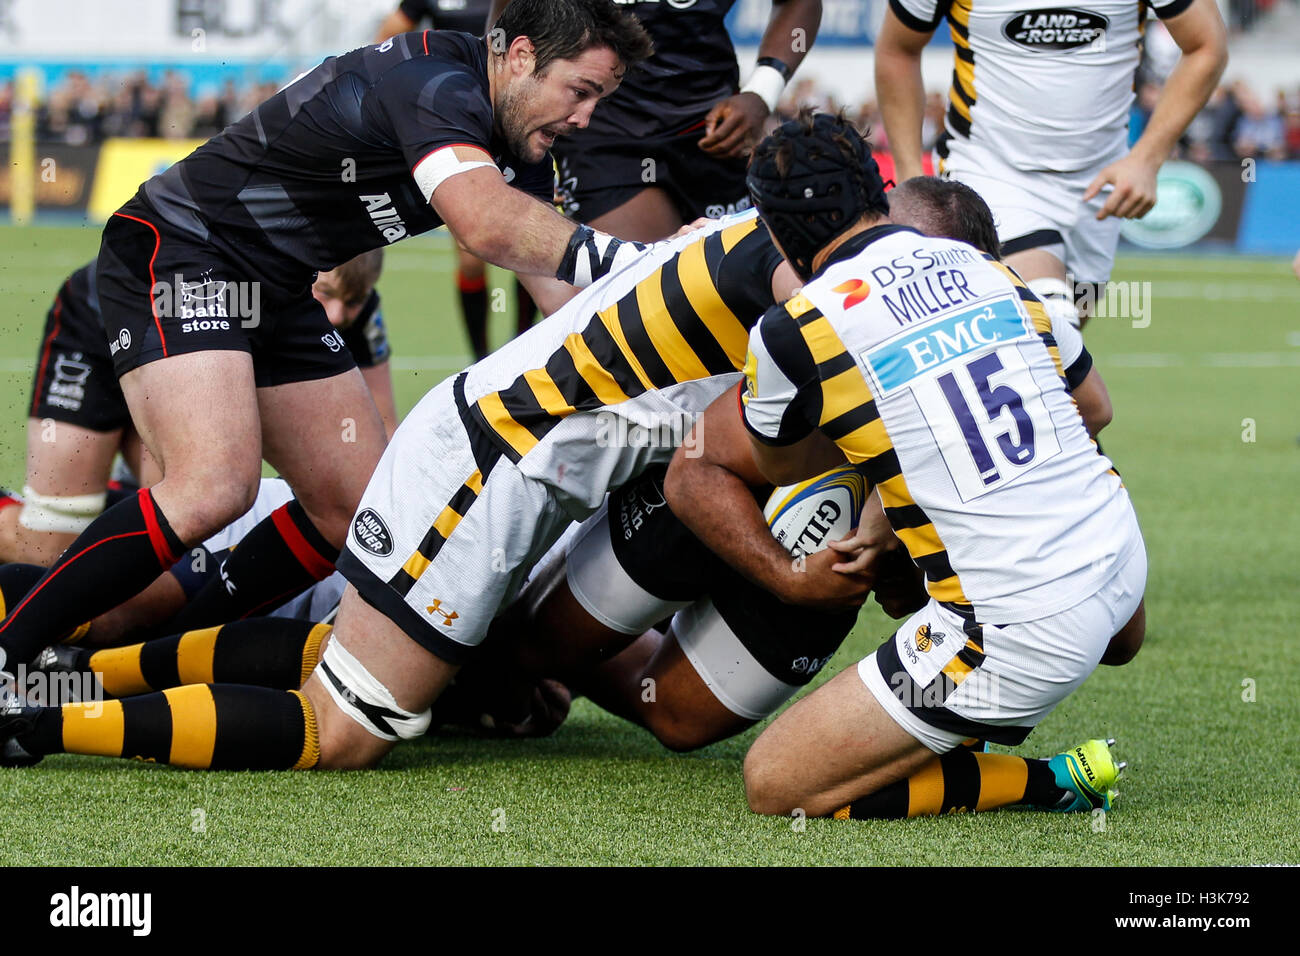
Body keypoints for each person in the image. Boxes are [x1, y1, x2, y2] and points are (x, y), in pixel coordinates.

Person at [0, 195, 834, 770]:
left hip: (475, 461)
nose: (582, 110)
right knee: (342, 728)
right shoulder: (799, 295)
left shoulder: (727, 238)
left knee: (336, 660)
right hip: (486, 475)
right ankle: (35, 718)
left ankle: (56, 688)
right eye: (581, 89)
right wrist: (790, 572)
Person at [0, 0, 654, 676]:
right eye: (580, 91)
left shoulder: (520, 146)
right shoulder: (436, 81)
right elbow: (484, 223)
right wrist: (648, 262)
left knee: (354, 512)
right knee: (215, 487)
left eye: (599, 100)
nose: (585, 117)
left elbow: (565, 299)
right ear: (520, 57)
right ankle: (10, 659)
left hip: (277, 284)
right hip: (186, 244)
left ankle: (155, 661)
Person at [675, 112, 1147, 820]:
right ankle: (966, 718)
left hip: (1007, 633)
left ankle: (1052, 781)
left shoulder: (794, 327)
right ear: (877, 190)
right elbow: (1094, 406)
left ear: (776, 231)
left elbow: (782, 463)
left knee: (778, 782)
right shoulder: (991, 266)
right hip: (1119, 563)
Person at [0, 251, 396, 569]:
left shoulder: (353, 312)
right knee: (51, 539)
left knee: (186, 540)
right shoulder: (245, 287)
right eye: (325, 293)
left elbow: (382, 426)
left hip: (175, 360)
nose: (338, 316)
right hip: (104, 327)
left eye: (355, 301)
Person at [875, 0, 1228, 330]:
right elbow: (897, 50)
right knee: (1049, 334)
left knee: (1061, 341)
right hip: (991, 170)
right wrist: (911, 177)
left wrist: (1147, 158)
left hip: (1100, 187)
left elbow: (1206, 45)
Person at [490, 0, 825, 242]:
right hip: (603, 126)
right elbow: (511, 16)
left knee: (735, 299)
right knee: (640, 297)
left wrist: (761, 93)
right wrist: (498, 127)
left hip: (712, 125)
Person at [374, 0, 540, 359]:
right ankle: (479, 360)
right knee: (470, 255)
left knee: (528, 244)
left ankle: (524, 350)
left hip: (514, 117)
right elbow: (389, 33)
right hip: (458, 124)